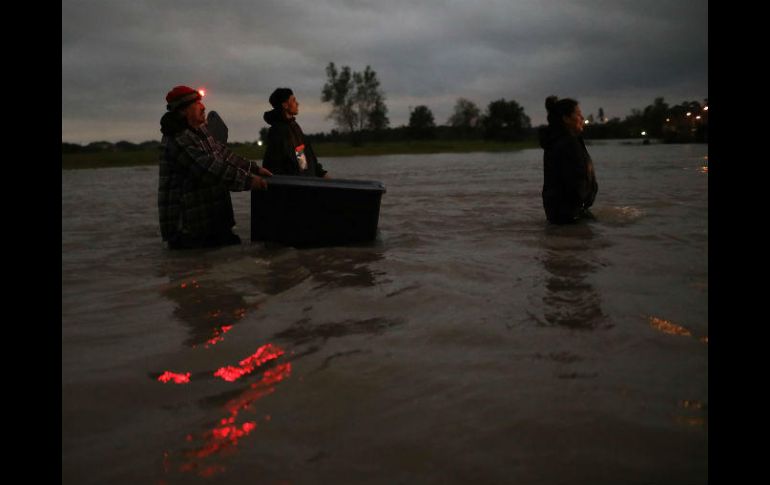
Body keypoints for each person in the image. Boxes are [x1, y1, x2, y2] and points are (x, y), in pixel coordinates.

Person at [158, 85, 272, 249]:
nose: (203, 107)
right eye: (196, 104)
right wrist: (249, 181)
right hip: (190, 230)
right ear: (183, 111)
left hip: (212, 223)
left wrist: (254, 169)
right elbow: (210, 169)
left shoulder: (201, 129)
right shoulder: (177, 140)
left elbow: (223, 154)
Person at [538, 95, 598, 224]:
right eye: (578, 114)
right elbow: (575, 181)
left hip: (559, 213)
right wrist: (583, 202)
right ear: (566, 118)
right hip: (570, 214)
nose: (582, 118)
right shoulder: (568, 144)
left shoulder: (555, 141)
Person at [262, 88, 329, 178]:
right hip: (292, 187)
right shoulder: (278, 131)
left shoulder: (294, 128)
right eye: (293, 100)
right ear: (285, 105)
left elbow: (302, 160)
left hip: (304, 184)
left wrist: (321, 173)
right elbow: (274, 166)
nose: (297, 103)